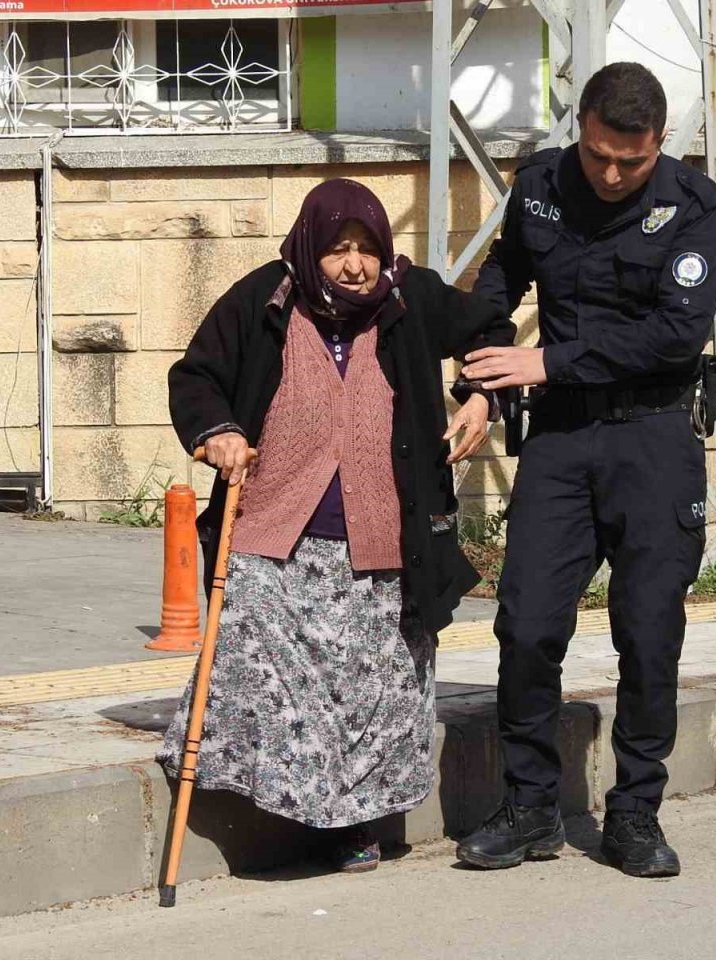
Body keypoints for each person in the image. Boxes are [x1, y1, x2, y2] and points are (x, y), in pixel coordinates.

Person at [158, 178, 515, 873]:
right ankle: (283, 815)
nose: (354, 265)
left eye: (368, 249)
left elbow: (490, 327)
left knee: (373, 692)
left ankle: (356, 824)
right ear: (309, 247)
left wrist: (478, 396)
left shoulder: (412, 302)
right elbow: (195, 376)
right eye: (337, 250)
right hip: (274, 532)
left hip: (387, 541)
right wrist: (220, 432)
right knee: (265, 666)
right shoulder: (266, 296)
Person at [455, 62, 716, 877]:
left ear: (659, 146)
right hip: (562, 443)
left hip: (652, 437)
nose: (612, 175)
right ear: (581, 129)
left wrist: (546, 361)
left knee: (648, 633)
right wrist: (480, 374)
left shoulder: (694, 205)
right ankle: (532, 805)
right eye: (601, 155)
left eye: (631, 162)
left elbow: (674, 338)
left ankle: (636, 814)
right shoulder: (539, 185)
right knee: (528, 624)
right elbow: (502, 276)